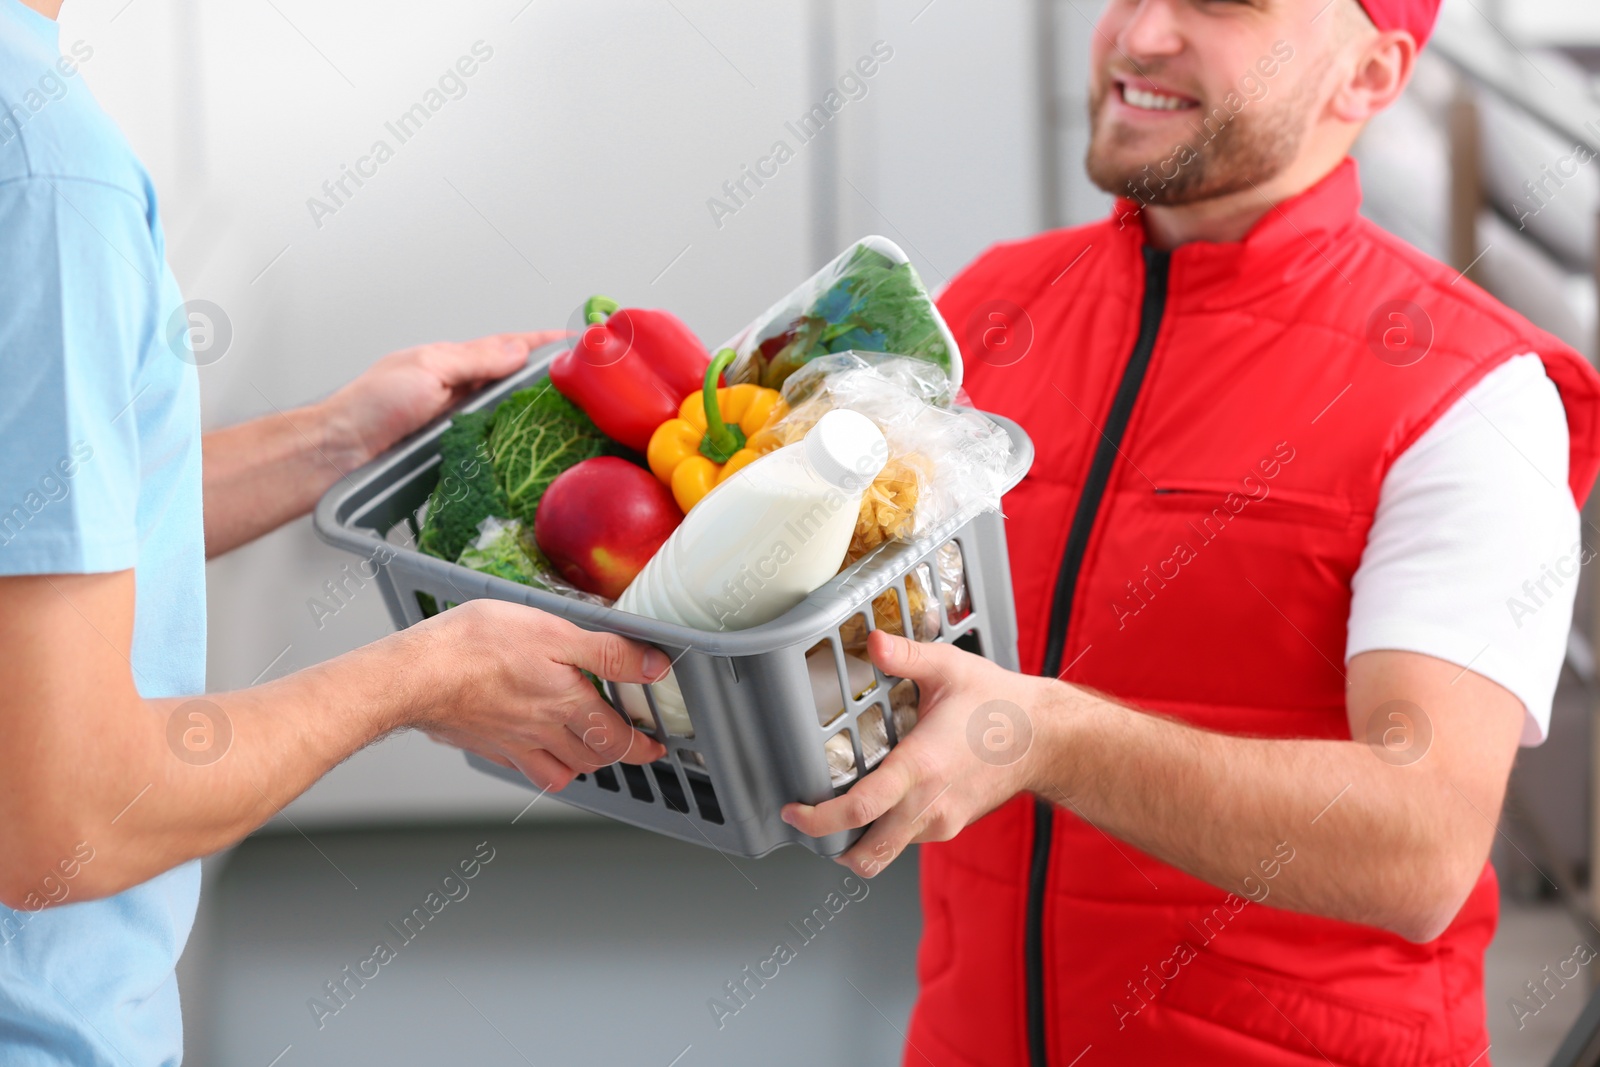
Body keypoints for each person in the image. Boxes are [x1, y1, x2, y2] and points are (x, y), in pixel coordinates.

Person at [783, 0, 1600, 1063]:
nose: (1141, 34)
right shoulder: (991, 311)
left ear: (1368, 76)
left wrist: (1050, 738)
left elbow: (1421, 845)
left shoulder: (1469, 393)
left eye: (1220, 3)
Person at [0, 1, 670, 1063]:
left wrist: (331, 440)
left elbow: (38, 533)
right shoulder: (42, 168)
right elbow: (69, 813)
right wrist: (426, 674)